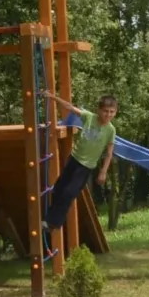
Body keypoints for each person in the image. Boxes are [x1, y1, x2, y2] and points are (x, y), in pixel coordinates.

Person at [43, 90, 117, 233]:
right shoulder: (89, 117)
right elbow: (70, 107)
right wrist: (52, 97)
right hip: (74, 159)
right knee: (58, 188)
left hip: (85, 167)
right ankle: (48, 217)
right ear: (99, 110)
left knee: (69, 192)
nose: (108, 115)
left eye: (112, 112)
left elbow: (109, 153)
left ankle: (52, 223)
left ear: (115, 112)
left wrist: (103, 172)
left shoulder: (110, 130)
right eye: (105, 111)